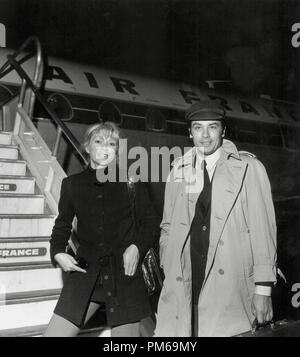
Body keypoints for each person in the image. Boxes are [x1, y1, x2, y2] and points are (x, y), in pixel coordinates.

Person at [155, 100, 277, 337]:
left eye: (212, 127)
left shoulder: (248, 168)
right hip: (186, 278)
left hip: (230, 280)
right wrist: (168, 263)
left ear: (223, 131)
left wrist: (263, 289)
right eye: (198, 128)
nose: (205, 135)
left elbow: (263, 231)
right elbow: (168, 225)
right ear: (189, 133)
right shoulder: (179, 170)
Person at [44, 121, 159, 337]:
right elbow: (62, 225)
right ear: (87, 147)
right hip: (86, 274)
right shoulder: (72, 185)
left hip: (126, 276)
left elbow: (152, 223)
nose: (106, 147)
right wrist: (58, 251)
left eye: (112, 143)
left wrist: (136, 246)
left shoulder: (131, 181)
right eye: (99, 141)